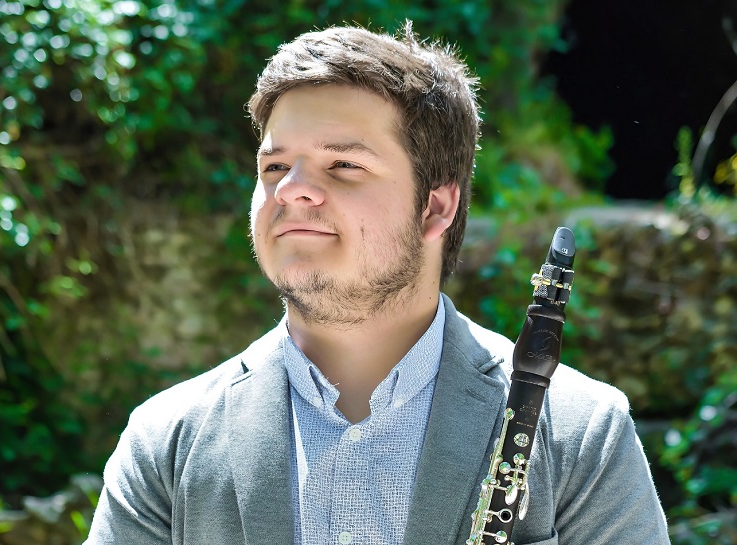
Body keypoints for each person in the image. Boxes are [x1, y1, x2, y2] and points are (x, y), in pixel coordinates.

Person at [85, 23, 670, 545]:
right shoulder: (164, 442)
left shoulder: (582, 433)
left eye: (344, 165)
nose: (290, 188)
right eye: (274, 166)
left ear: (435, 208)